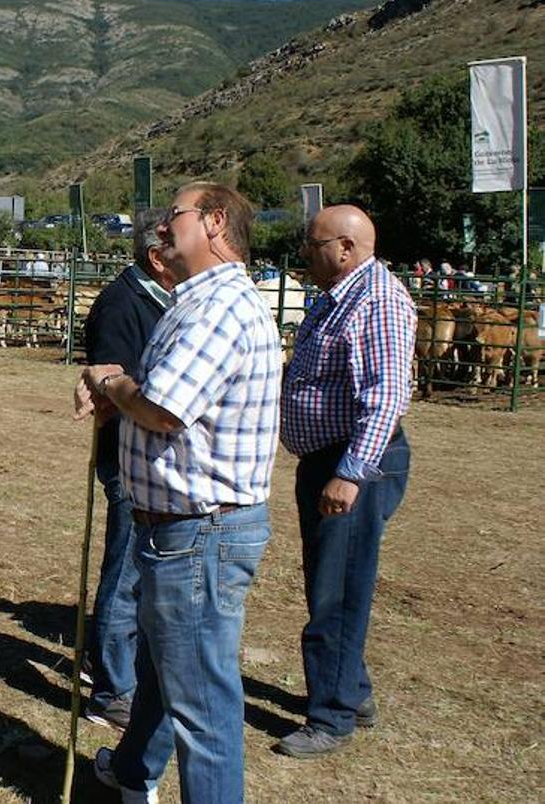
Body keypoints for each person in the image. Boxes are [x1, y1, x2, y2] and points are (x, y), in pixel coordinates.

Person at [75, 182, 281, 803]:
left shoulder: (217, 308)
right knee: (169, 677)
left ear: (215, 222)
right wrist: (121, 399)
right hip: (186, 528)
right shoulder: (196, 301)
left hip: (199, 531)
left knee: (203, 710)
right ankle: (133, 774)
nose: (163, 227)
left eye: (176, 216)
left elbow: (164, 408)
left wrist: (112, 385)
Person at [274, 204, 416, 759]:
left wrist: (351, 472)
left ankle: (330, 717)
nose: (306, 252)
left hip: (352, 462)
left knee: (338, 588)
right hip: (328, 461)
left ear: (346, 248)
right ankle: (350, 692)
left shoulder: (376, 300)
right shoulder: (339, 298)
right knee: (327, 580)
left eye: (314, 244)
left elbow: (384, 394)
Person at [75, 211, 175, 730]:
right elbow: (110, 379)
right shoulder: (121, 305)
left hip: (149, 457)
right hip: (128, 458)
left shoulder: (157, 300)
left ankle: (111, 668)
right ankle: (112, 688)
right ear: (157, 258)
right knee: (127, 571)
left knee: (134, 569)